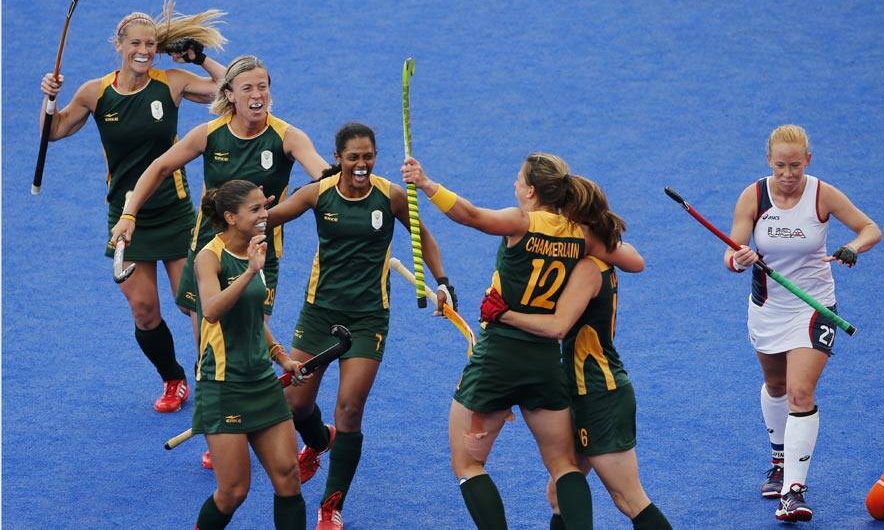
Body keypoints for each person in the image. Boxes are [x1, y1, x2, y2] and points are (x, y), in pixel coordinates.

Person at [402, 152, 644, 530]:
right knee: (564, 465)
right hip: (546, 362)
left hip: (498, 355)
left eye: (518, 179)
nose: (514, 185)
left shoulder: (521, 222)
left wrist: (427, 184)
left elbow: (470, 215)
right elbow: (632, 261)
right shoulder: (579, 233)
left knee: (468, 464)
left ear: (531, 191)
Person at [111, 54, 331, 468]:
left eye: (263, 86)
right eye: (247, 87)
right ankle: (221, 426)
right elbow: (158, 168)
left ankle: (263, 422)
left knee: (252, 337)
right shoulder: (209, 134)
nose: (257, 94)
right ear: (228, 94)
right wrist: (129, 213)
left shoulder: (286, 136)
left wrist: (336, 184)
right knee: (208, 345)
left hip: (260, 257)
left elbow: (320, 172)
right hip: (208, 254)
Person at [38, 0, 227, 413]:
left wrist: (201, 59)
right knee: (144, 310)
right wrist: (49, 98)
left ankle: (209, 384)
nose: (144, 51)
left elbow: (230, 90)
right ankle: (173, 378)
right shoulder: (95, 92)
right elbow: (52, 131)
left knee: (192, 302)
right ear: (119, 45)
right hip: (127, 218)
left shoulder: (172, 83)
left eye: (150, 44)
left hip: (174, 212)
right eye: (136, 43)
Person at [265, 122, 455, 530]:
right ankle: (319, 441)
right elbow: (270, 219)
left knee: (350, 408)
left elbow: (423, 236)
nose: (361, 164)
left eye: (367, 156)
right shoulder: (318, 194)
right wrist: (234, 224)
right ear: (338, 158)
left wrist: (442, 283)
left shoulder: (391, 197)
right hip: (319, 313)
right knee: (296, 404)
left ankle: (331, 504)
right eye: (353, 157)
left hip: (369, 319)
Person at [726, 124, 881, 522]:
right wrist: (738, 258)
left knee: (799, 391)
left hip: (814, 307)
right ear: (769, 162)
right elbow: (734, 249)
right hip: (767, 307)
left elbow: (870, 229)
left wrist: (851, 247)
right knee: (776, 385)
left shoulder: (822, 194)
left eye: (796, 165)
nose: (788, 175)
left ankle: (793, 491)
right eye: (780, 166)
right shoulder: (754, 196)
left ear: (807, 161)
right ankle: (778, 462)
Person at [479, 254, 672, 530]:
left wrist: (503, 314)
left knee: (629, 499)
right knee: (559, 495)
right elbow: (636, 260)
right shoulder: (605, 253)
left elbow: (557, 327)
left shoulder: (588, 268)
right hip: (581, 392)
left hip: (600, 395)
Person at [191, 180, 307, 529]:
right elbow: (211, 310)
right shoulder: (209, 257)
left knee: (288, 477)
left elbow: (253, 316)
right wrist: (250, 272)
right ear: (230, 217)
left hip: (261, 382)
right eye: (255, 209)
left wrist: (281, 356)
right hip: (223, 386)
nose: (264, 215)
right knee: (234, 491)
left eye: (264, 207)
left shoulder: (255, 248)